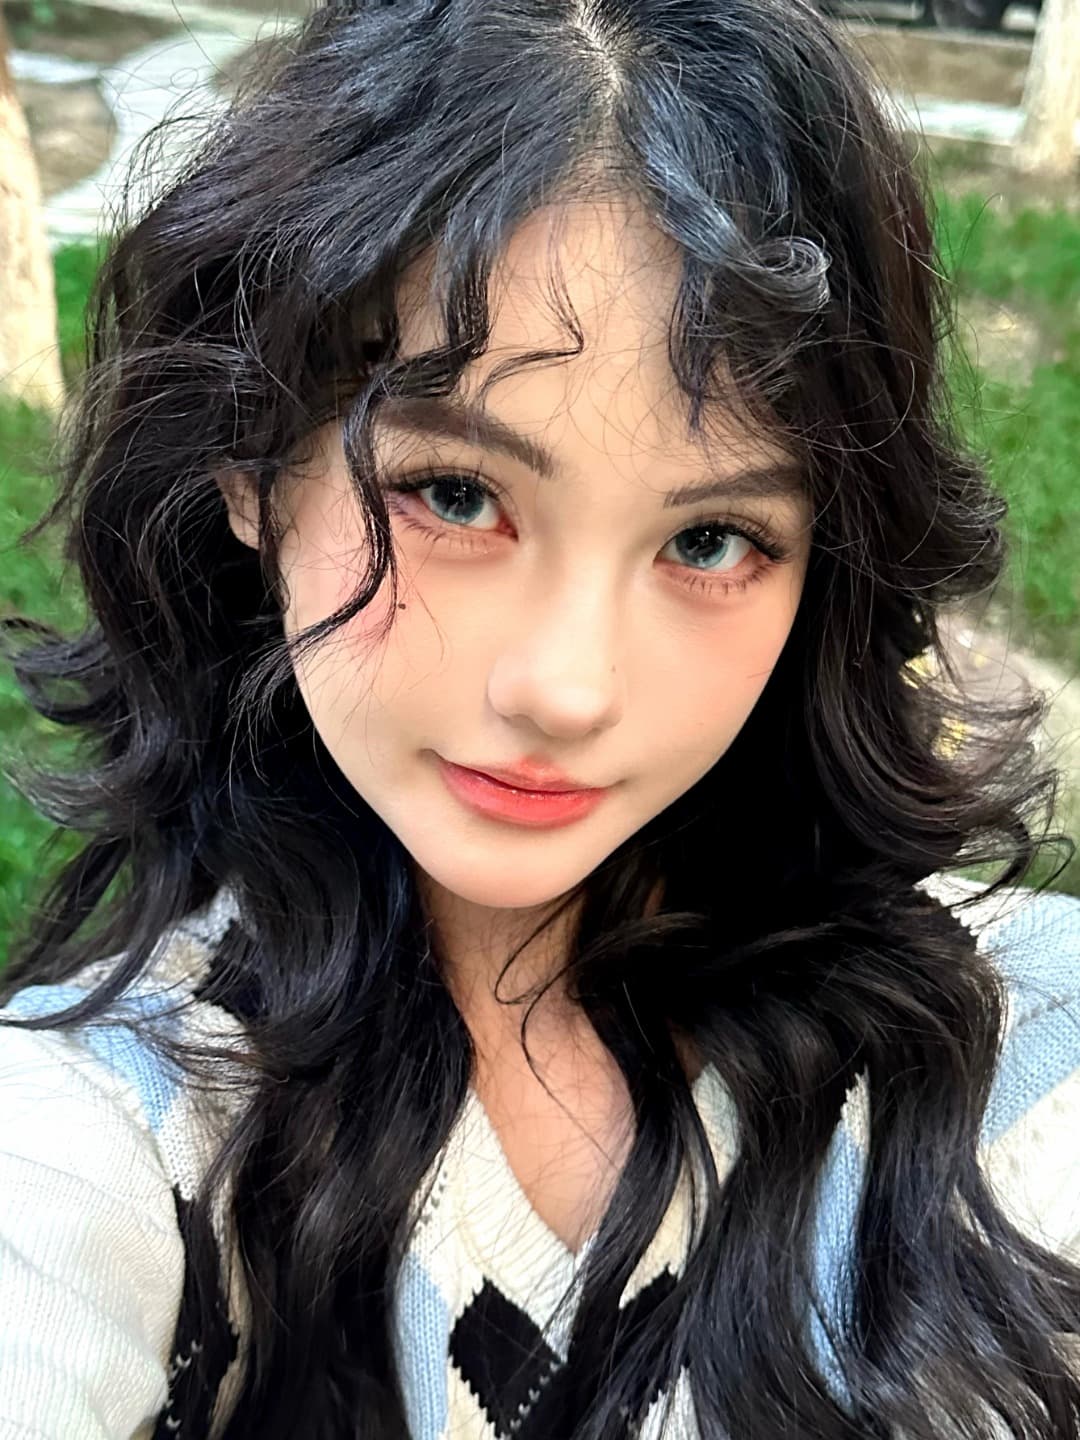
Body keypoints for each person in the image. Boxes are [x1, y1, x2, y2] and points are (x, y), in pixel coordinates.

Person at [1, 0, 1079, 1435]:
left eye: (711, 540)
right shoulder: (103, 1121)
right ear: (250, 465)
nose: (569, 689)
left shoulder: (1018, 1047)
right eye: (456, 495)